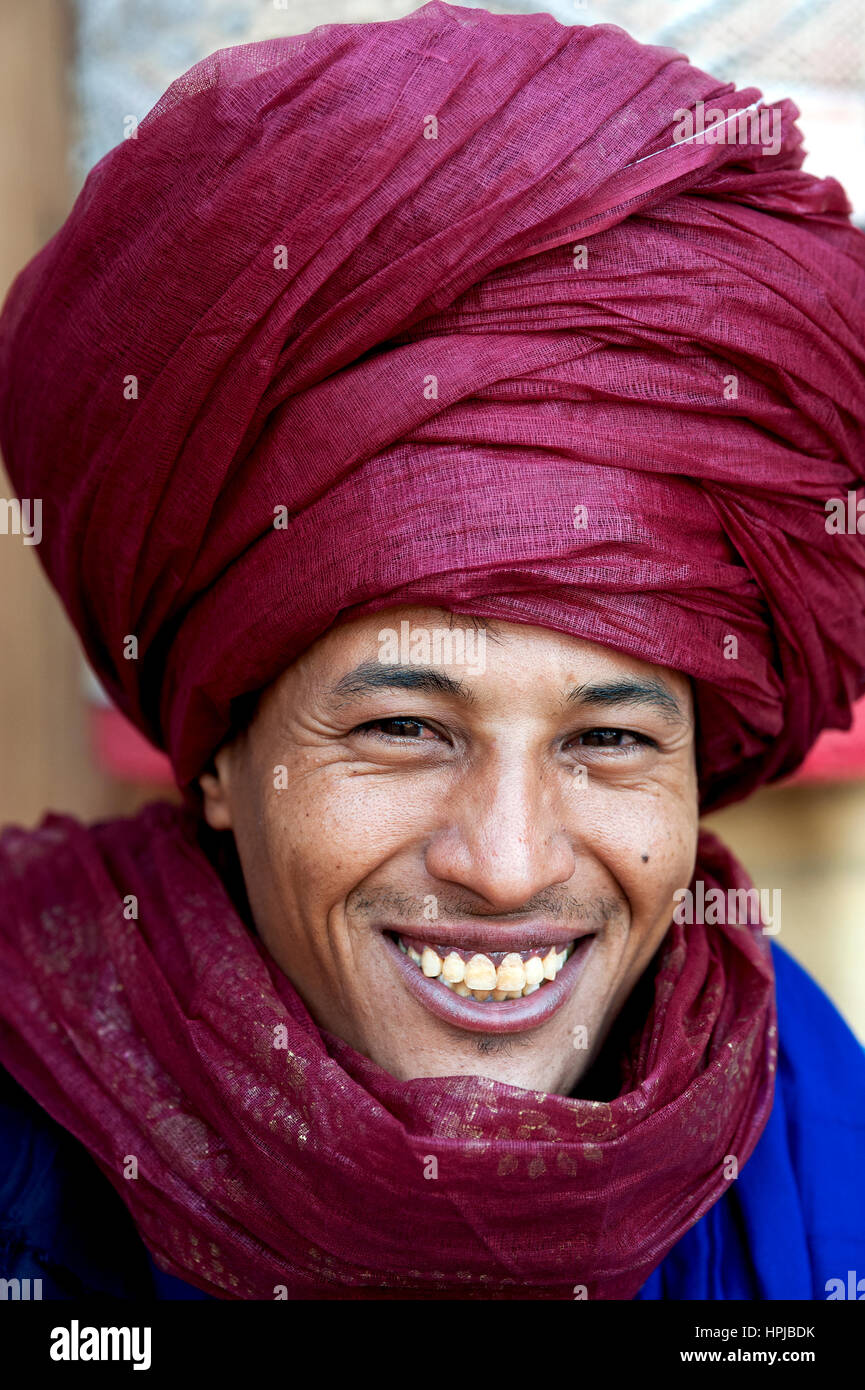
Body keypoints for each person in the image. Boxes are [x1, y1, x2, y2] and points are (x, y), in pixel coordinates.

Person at [0, 1, 863, 1301]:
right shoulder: (31, 1123)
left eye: (609, 740)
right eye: (404, 728)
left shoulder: (805, 1121)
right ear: (220, 756)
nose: (508, 867)